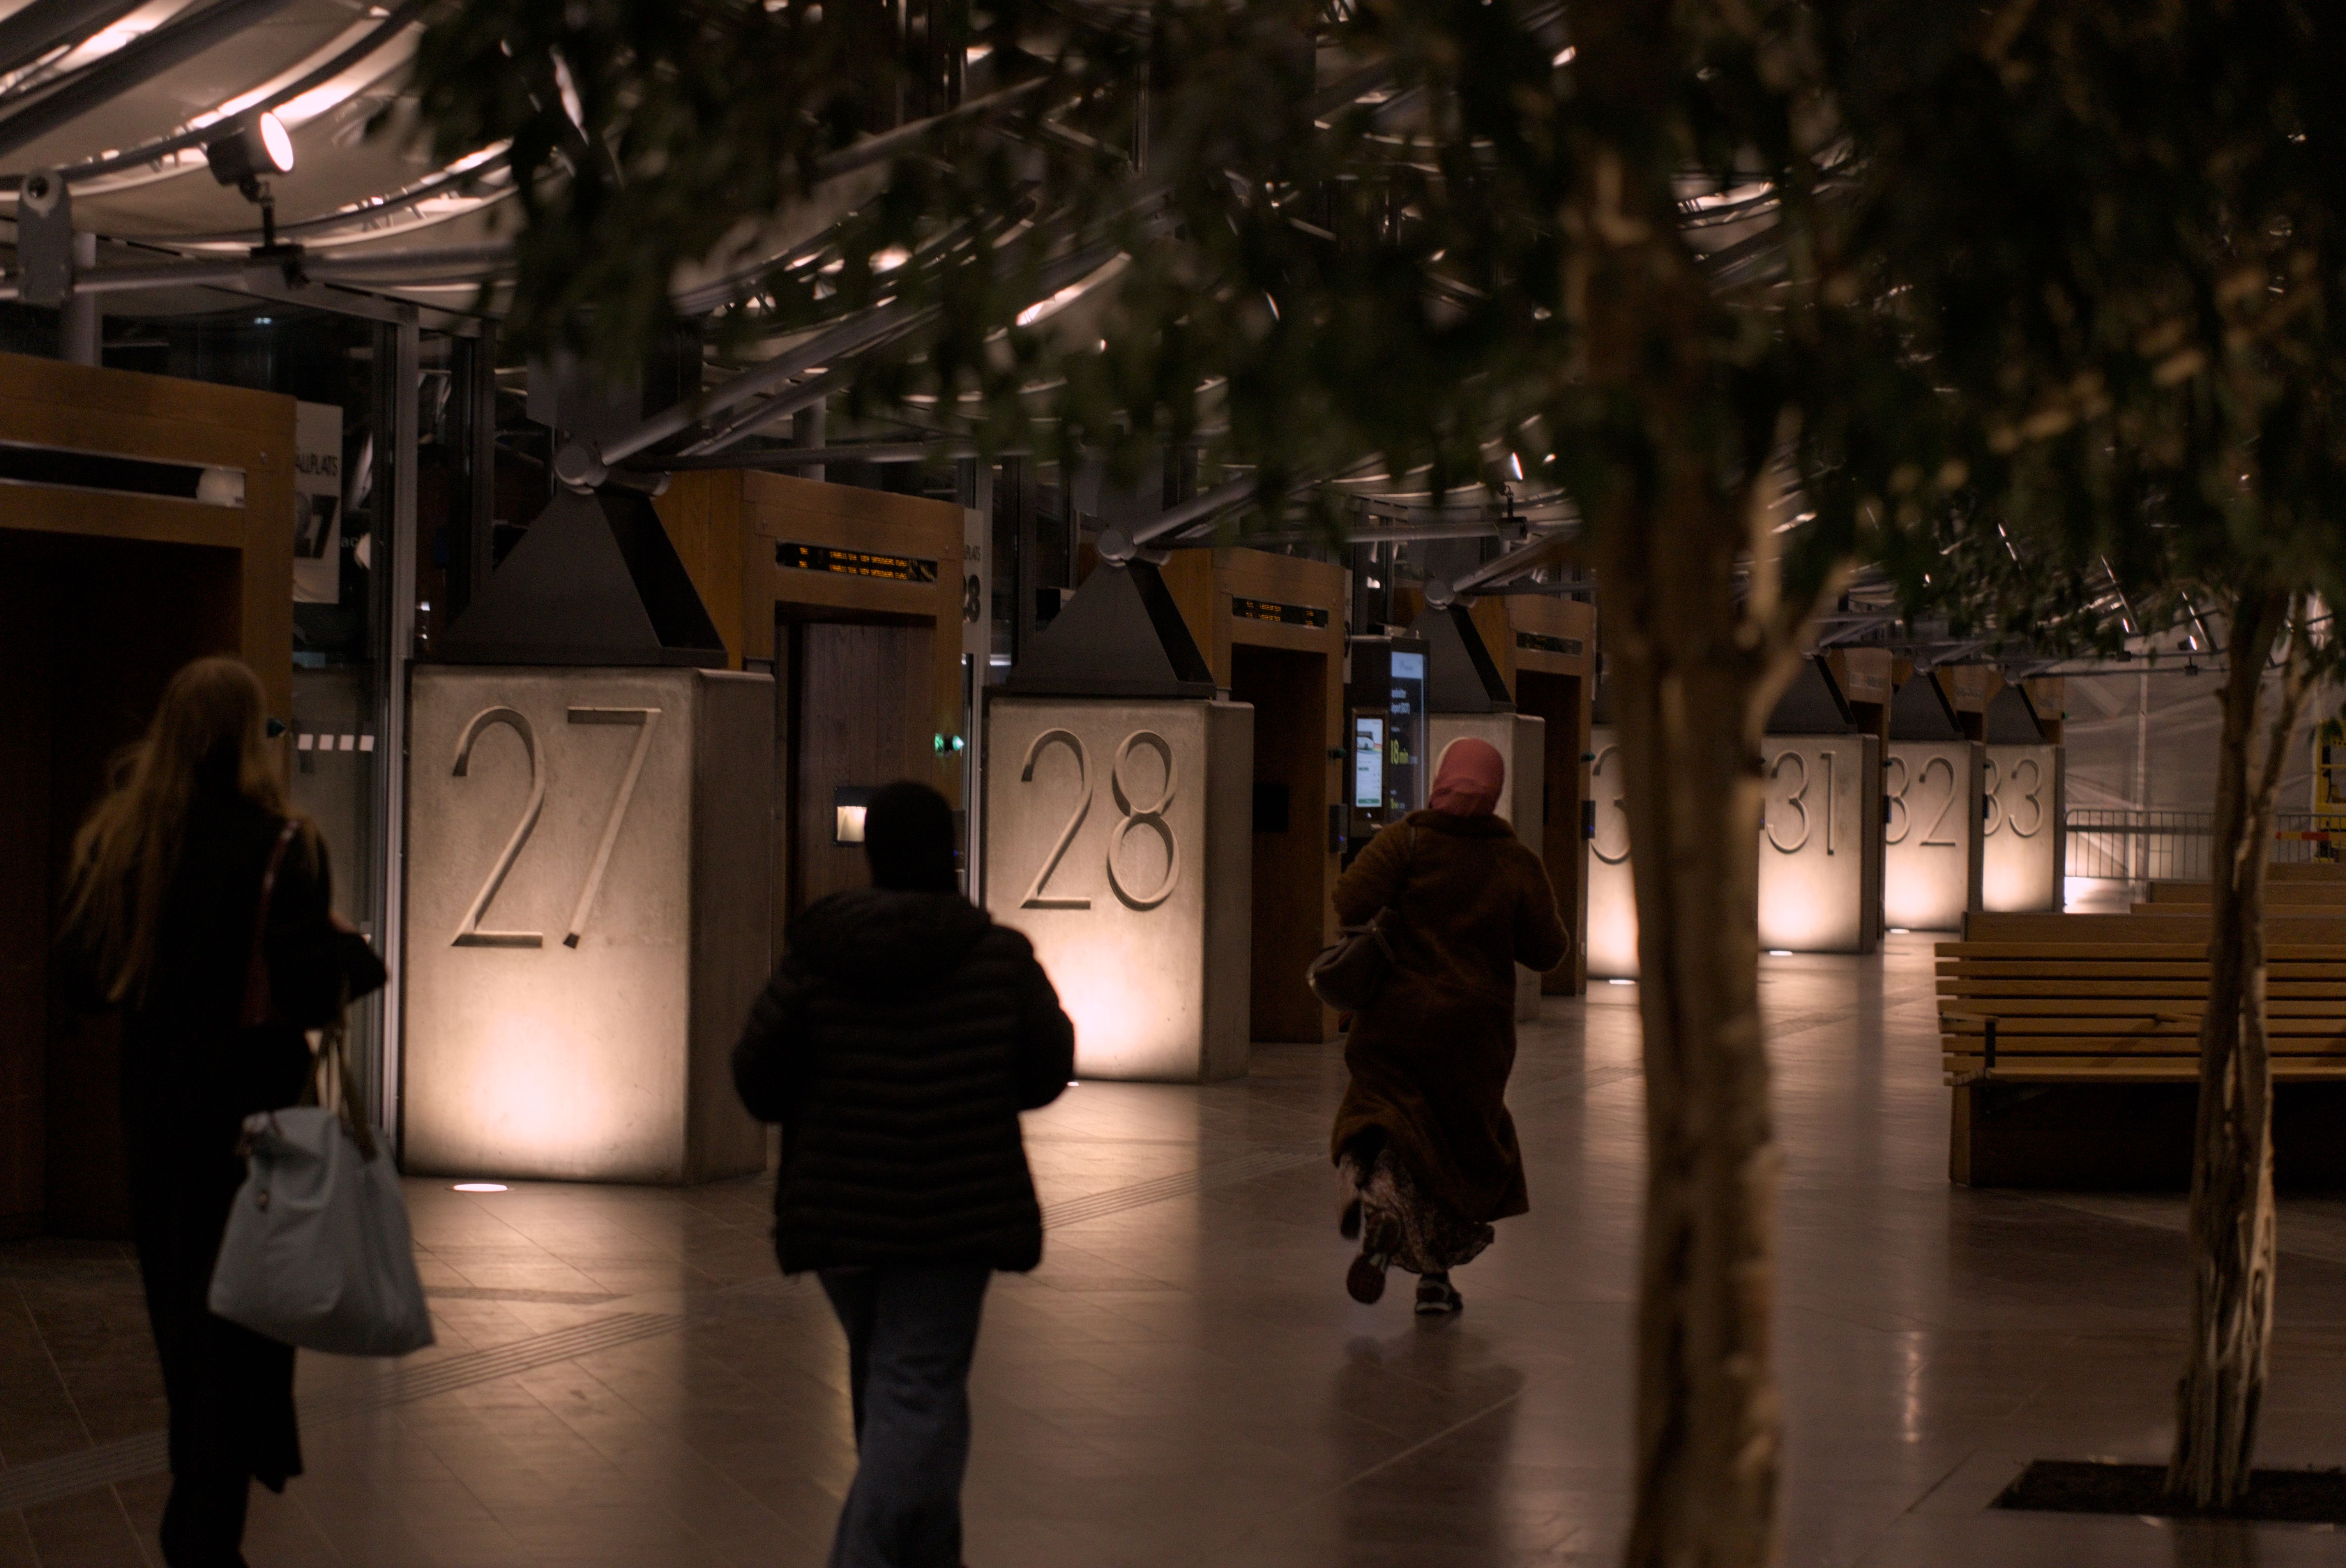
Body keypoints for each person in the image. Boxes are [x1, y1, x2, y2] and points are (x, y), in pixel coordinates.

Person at [58, 656, 385, 1568]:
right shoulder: (284, 846)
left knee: (183, 1319)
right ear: (250, 736)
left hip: (159, 1116)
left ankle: (197, 1524)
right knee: (246, 1331)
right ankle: (206, 1533)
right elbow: (313, 992)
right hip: (257, 1124)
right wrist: (349, 953)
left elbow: (81, 982)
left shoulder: (125, 843)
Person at [734, 780, 1074, 1568]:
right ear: (945, 850)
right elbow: (1048, 1065)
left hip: (841, 1213)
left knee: (894, 1392)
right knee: (916, 1393)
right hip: (956, 1212)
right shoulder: (997, 955)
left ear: (875, 854)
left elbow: (758, 1076)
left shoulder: (821, 954)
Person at [1329, 736, 1568, 1315]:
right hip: (1475, 1038)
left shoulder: (1407, 841)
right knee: (1452, 1149)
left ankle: (1375, 1198)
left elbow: (1348, 899)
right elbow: (1549, 950)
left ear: (1441, 780)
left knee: (1377, 1118)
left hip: (1397, 1021)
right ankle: (1434, 1283)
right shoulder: (1515, 862)